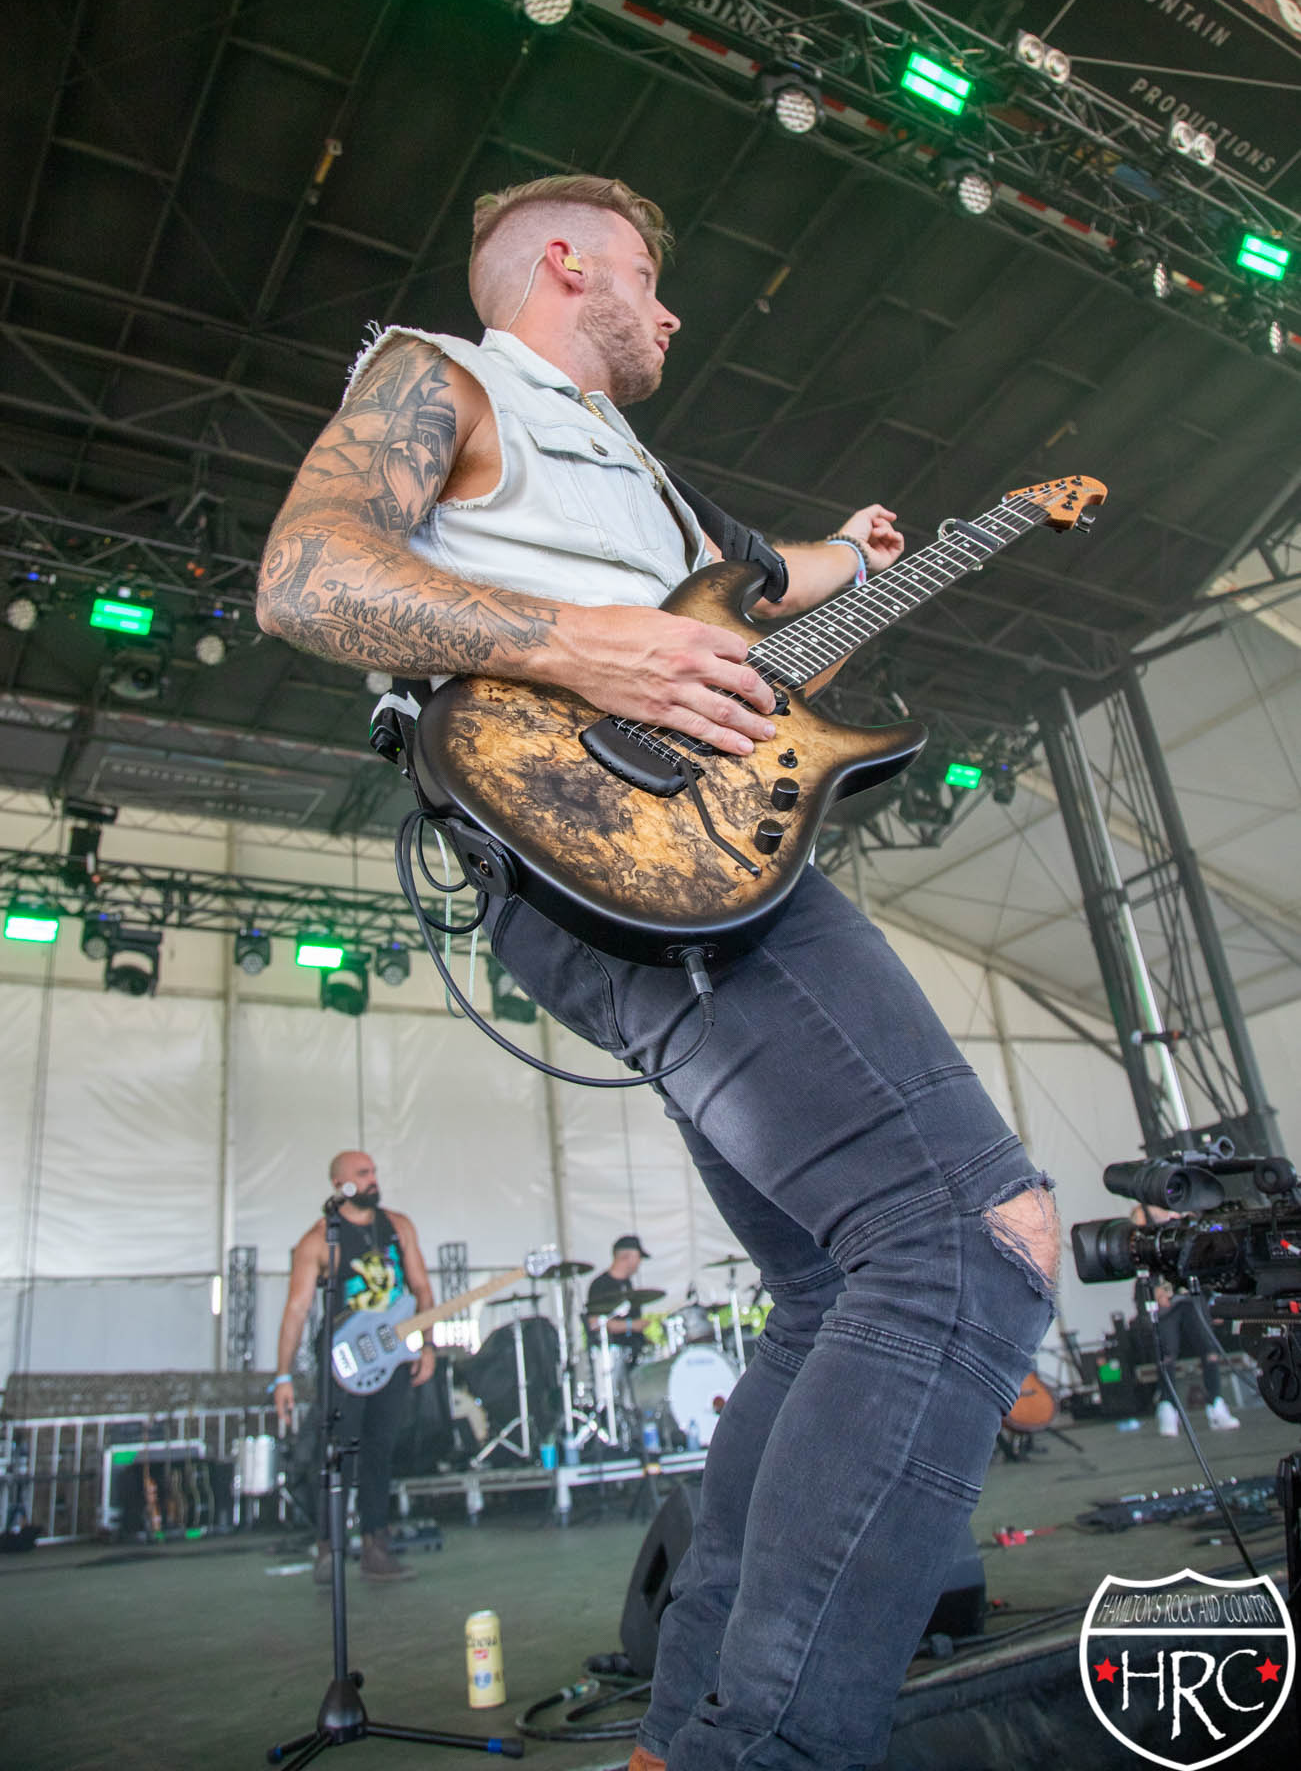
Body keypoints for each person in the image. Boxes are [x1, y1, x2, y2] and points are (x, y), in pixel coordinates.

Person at [256, 173, 1058, 1770]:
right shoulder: (441, 373)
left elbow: (758, 597)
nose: (673, 310)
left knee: (832, 1291)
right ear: (568, 263)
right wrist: (579, 644)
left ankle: (686, 1736)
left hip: (699, 857)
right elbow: (305, 577)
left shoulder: (655, 491)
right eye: (648, 276)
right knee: (978, 1239)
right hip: (600, 840)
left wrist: (868, 555)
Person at [273, 1148, 437, 1582]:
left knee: (380, 1450)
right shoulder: (318, 1240)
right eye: (363, 1173)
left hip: (393, 1356)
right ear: (340, 1184)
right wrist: (283, 1376)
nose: (372, 1179)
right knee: (339, 1452)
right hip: (343, 1360)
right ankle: (329, 1547)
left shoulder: (398, 1227)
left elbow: (422, 1289)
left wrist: (427, 1346)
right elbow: (296, 1309)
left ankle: (376, 1546)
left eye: (373, 1171)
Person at [1130, 1205, 1240, 1435]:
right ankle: (1168, 1407)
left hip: (1189, 1291)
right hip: (1162, 1295)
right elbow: (1136, 1247)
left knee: (1209, 1348)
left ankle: (1216, 1404)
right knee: (1166, 1353)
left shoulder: (1184, 1212)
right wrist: (1154, 1288)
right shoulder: (1143, 1212)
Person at [586, 1233, 653, 1357]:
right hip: (612, 1354)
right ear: (625, 1256)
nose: (639, 1262)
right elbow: (594, 1322)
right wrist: (631, 1325)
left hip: (634, 1351)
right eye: (638, 1257)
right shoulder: (601, 1285)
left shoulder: (627, 1284)